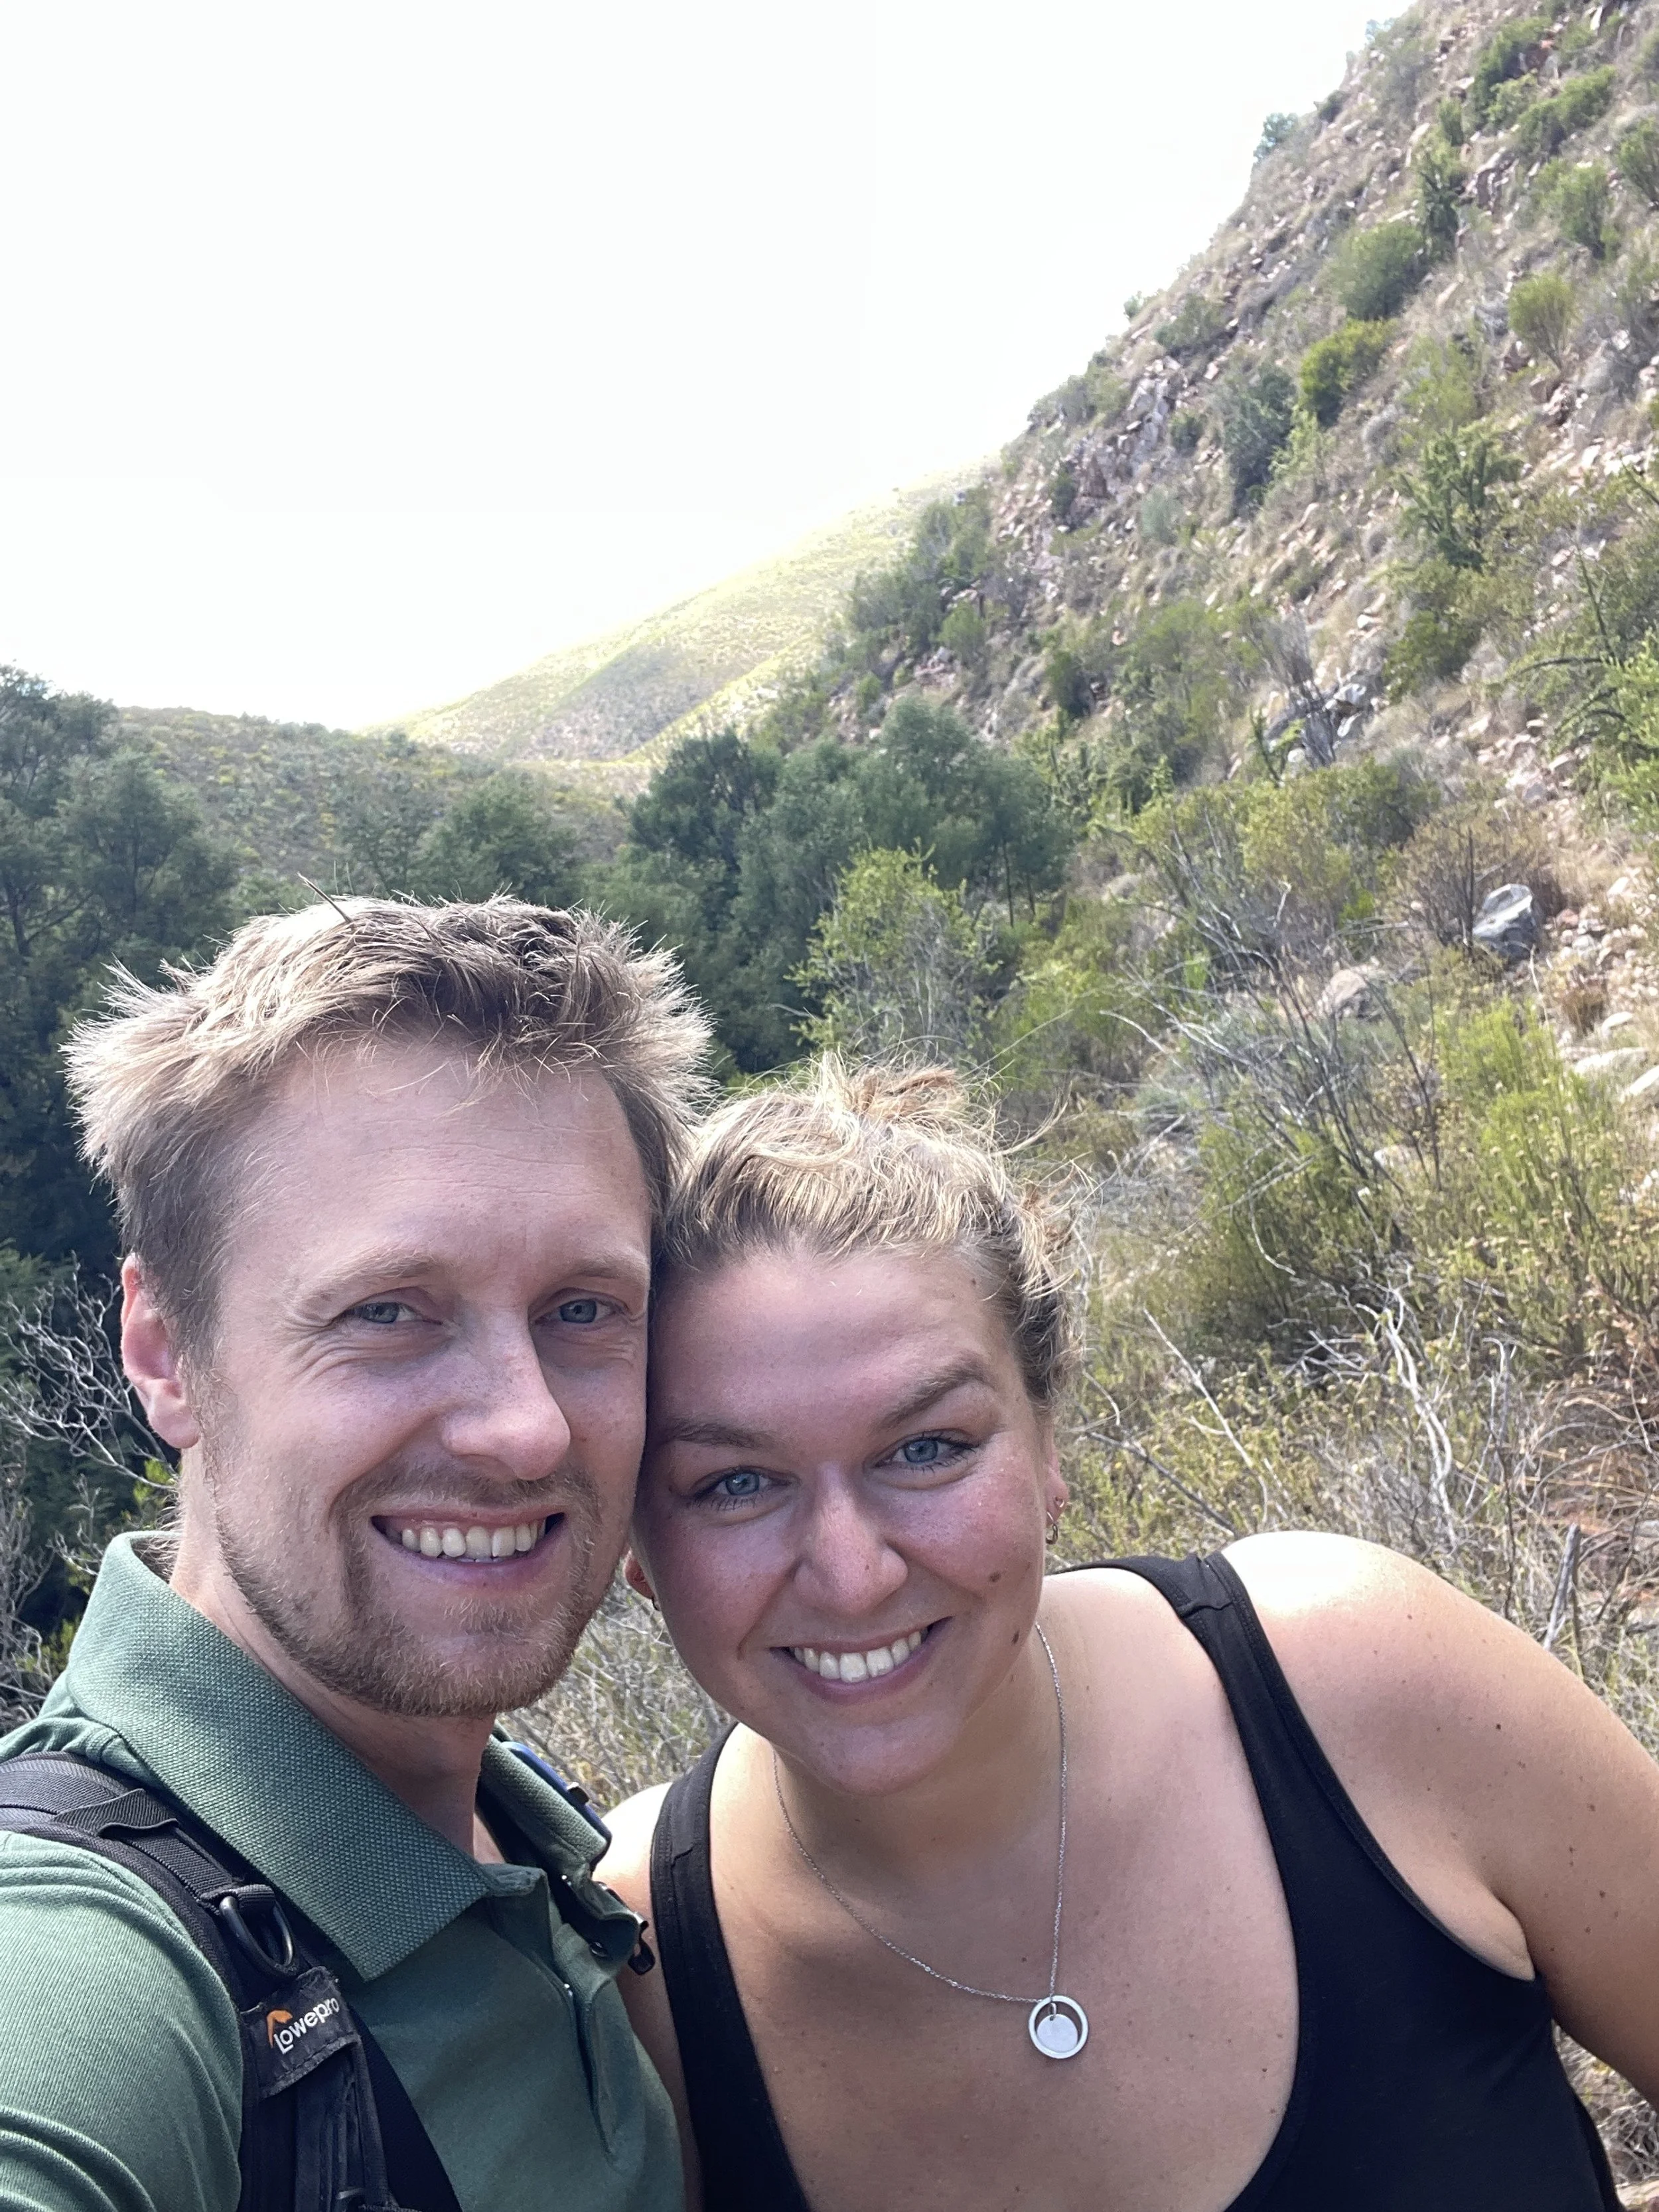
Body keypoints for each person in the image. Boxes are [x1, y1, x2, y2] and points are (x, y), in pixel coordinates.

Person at [601, 1059, 1659, 2212]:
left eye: (928, 1448)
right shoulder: (634, 1965)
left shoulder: (1361, 1688)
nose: (853, 1576)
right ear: (635, 1548)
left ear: (1046, 1441)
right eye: (735, 1484)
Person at [0, 897, 708, 2212]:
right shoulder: (85, 1956)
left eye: (582, 1309)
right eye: (387, 1311)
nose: (525, 1425)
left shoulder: (539, 1850)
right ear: (164, 1351)